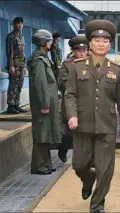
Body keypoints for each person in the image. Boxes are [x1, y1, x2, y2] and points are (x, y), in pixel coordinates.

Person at [64, 19, 120, 213]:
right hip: (82, 124)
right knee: (79, 164)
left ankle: (97, 205)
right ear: (90, 43)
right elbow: (69, 94)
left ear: (110, 44)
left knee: (105, 169)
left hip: (106, 126)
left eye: (105, 41)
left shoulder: (116, 69)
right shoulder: (76, 67)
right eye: (97, 40)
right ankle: (87, 178)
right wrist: (71, 115)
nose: (101, 44)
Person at [27, 29, 61, 175]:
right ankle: (39, 166)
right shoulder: (39, 60)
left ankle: (46, 163)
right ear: (43, 42)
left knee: (46, 133)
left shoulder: (44, 58)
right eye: (48, 41)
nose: (50, 43)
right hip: (43, 104)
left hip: (47, 102)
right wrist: (45, 104)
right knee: (41, 134)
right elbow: (41, 84)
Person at [57, 34, 89, 163]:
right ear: (73, 51)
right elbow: (62, 83)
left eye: (84, 50)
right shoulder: (67, 65)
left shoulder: (92, 63)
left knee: (86, 130)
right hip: (72, 102)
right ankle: (63, 149)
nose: (81, 53)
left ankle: (82, 158)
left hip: (88, 102)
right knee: (70, 131)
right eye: (78, 50)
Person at [6, 17, 27, 114]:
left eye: (21, 23)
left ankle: (16, 104)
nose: (20, 25)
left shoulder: (22, 37)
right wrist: (11, 66)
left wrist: (25, 65)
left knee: (19, 85)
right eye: (18, 23)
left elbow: (23, 52)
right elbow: (10, 53)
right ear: (14, 24)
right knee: (13, 85)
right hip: (14, 65)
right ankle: (10, 105)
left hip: (21, 65)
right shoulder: (11, 37)